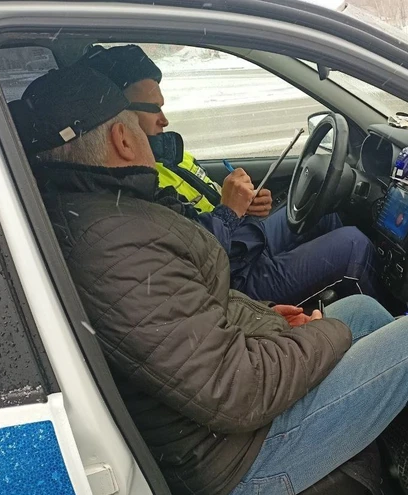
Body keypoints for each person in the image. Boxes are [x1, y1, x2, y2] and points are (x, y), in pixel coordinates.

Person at [15, 65, 408, 495]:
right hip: (237, 466)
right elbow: (235, 391)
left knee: (362, 314)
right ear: (122, 140)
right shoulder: (118, 244)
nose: (153, 133)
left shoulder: (99, 218)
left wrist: (269, 320)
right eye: (140, 125)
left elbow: (197, 315)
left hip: (216, 436)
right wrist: (317, 334)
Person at [78, 44, 378, 305]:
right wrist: (229, 212)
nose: (164, 120)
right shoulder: (134, 188)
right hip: (233, 279)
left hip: (238, 243)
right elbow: (194, 258)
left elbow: (202, 218)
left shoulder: (166, 155)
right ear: (120, 122)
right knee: (354, 244)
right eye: (154, 108)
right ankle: (389, 324)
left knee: (324, 214)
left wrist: (244, 208)